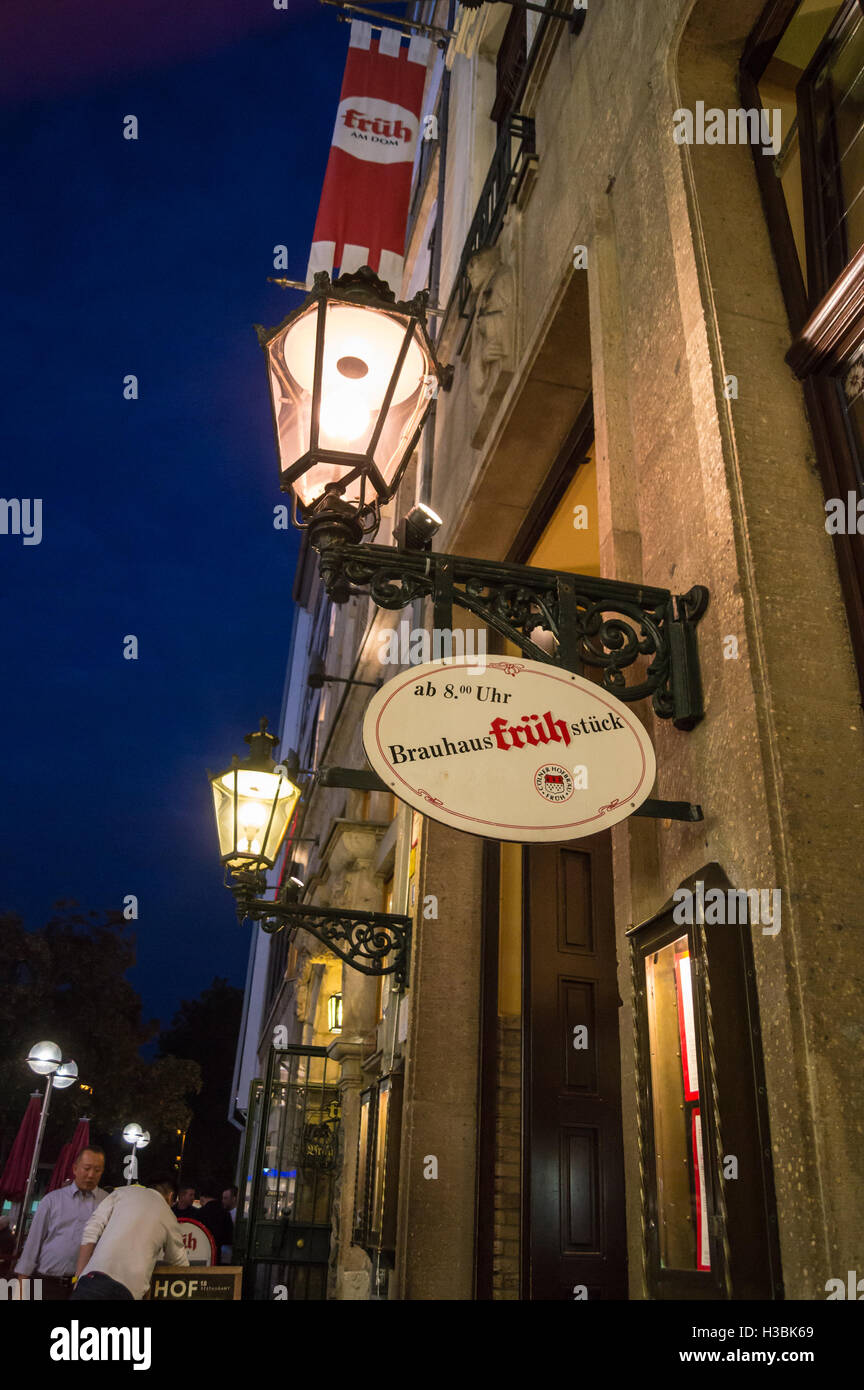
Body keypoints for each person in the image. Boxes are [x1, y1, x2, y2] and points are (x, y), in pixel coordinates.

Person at [70, 1174, 188, 1300]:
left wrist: (78, 1276)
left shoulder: (122, 1192)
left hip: (93, 1279)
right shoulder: (168, 1215)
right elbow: (179, 1262)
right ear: (170, 1196)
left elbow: (91, 1229)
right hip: (126, 1290)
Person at [15, 1147, 108, 1301]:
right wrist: (20, 1288)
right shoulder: (52, 1200)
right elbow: (33, 1243)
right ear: (75, 1168)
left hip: (86, 1287)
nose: (91, 1175)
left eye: (97, 1170)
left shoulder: (107, 1202)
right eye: (87, 1168)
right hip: (47, 1283)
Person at [195, 1183, 231, 1263]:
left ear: (202, 1198)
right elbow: (228, 1237)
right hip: (218, 1256)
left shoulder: (200, 1213)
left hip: (201, 1254)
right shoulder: (225, 1213)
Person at [220, 1186, 237, 1263]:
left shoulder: (233, 1215)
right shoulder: (228, 1213)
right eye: (223, 1198)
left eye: (225, 1198)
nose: (223, 1201)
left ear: (233, 1199)